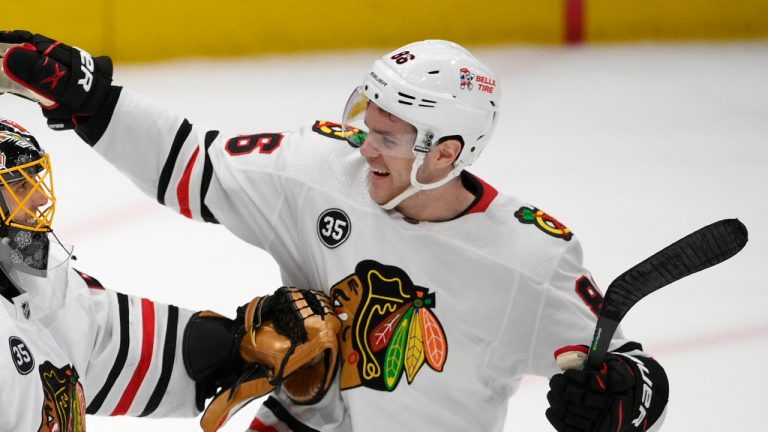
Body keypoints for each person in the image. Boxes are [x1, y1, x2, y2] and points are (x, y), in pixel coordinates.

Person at [0, 30, 670, 432]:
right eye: (366, 124)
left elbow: (629, 371)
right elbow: (191, 167)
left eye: (387, 137)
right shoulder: (323, 171)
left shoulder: (528, 258)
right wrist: (88, 99)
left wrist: (625, 399)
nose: (365, 148)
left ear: (447, 151)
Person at [0, 116, 337, 432]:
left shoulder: (40, 290)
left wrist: (236, 346)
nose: (39, 198)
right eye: (17, 183)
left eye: (33, 178)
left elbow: (113, 342)